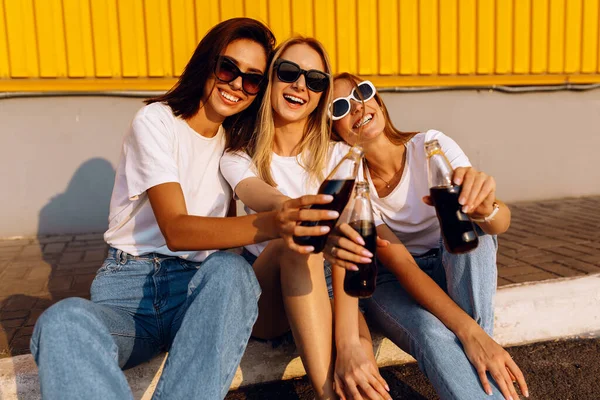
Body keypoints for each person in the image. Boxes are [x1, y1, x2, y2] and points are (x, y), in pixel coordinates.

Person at [30, 19, 339, 400]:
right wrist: (276, 222)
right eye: (228, 69)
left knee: (231, 272)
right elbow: (176, 229)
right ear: (206, 63)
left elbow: (258, 191)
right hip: (130, 296)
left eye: (253, 79)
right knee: (62, 321)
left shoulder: (234, 144)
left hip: (200, 294)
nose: (237, 85)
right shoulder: (157, 121)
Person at [324, 73, 529, 400]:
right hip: (392, 280)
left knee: (473, 228)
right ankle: (481, 350)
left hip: (451, 265)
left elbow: (498, 223)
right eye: (339, 107)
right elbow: (404, 266)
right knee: (431, 332)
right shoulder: (354, 185)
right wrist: (469, 331)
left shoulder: (431, 147)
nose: (358, 107)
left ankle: (479, 346)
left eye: (363, 92)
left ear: (378, 100)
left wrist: (484, 207)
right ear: (332, 128)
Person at [220, 38, 390, 400]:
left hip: (330, 286)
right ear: (270, 80)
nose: (300, 85)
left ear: (322, 94)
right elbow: (257, 193)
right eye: (289, 73)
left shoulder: (340, 155)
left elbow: (351, 238)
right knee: (296, 240)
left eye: (314, 80)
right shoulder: (239, 156)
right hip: (266, 297)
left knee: (361, 369)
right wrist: (291, 209)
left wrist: (348, 343)